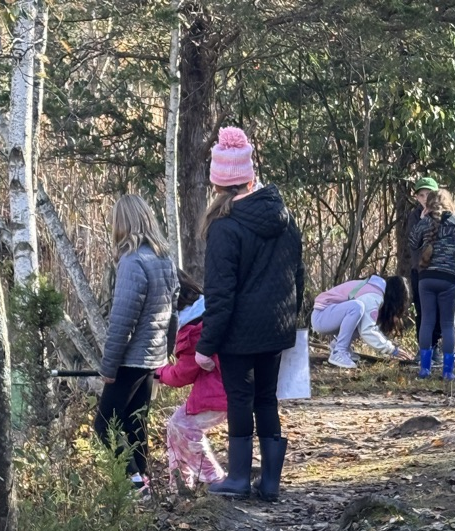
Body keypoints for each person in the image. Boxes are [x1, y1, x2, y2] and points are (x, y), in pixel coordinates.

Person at [196, 126, 304, 501]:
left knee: (240, 399)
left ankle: (239, 478)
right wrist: (289, 318)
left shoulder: (224, 228)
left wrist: (204, 345)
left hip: (239, 334)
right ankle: (271, 482)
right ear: (249, 176)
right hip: (276, 327)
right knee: (266, 398)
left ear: (218, 183)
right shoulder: (285, 217)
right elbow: (298, 276)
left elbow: (220, 295)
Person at [95, 194, 178, 498]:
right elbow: (173, 313)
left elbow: (122, 322)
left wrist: (108, 367)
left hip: (131, 359)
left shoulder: (132, 262)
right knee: (135, 424)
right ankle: (143, 482)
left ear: (122, 224)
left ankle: (135, 486)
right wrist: (164, 354)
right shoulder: (164, 260)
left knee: (104, 425)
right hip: (152, 356)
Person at [155, 271, 227, 491]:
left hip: (218, 390)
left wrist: (159, 372)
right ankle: (180, 483)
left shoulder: (193, 328)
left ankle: (214, 479)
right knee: (177, 425)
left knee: (182, 425)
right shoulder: (206, 313)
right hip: (224, 386)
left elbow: (183, 374)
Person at [409, 186, 455, 381]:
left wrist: (421, 224)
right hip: (448, 279)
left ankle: (425, 369)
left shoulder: (425, 222)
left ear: (429, 205)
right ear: (449, 203)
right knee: (446, 324)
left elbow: (412, 243)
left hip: (426, 278)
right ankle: (447, 371)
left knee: (426, 321)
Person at [310, 275, 413, 369]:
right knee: (357, 308)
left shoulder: (375, 290)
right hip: (321, 317)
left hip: (326, 316)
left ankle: (338, 345)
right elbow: (367, 330)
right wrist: (391, 349)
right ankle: (339, 352)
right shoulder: (373, 296)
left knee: (362, 316)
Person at [408, 176, 442, 363]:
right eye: (421, 195)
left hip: (440, 270)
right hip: (420, 271)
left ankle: (435, 346)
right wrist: (422, 222)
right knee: (422, 310)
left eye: (428, 193)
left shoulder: (446, 215)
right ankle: (423, 349)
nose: (425, 198)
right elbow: (413, 243)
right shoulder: (414, 216)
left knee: (438, 309)